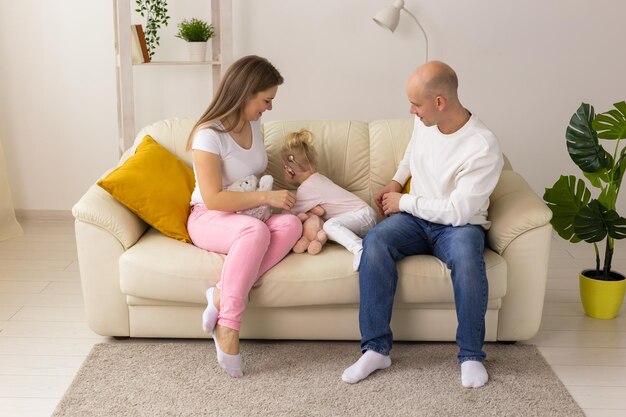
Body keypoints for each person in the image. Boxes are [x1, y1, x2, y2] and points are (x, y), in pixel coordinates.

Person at [341, 60, 504, 388]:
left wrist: (403, 202)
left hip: (458, 226)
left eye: (416, 104)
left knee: (468, 260)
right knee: (376, 242)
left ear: (440, 102)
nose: (411, 111)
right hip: (416, 221)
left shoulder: (482, 146)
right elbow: (412, 152)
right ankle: (376, 349)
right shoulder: (426, 124)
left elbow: (458, 212)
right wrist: (396, 182)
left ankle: (471, 354)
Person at [186, 55, 303, 378]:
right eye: (266, 100)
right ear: (246, 92)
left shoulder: (254, 124)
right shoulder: (208, 135)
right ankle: (229, 326)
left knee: (290, 224)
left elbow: (252, 174)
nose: (269, 108)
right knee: (255, 232)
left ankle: (221, 293)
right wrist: (266, 197)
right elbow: (214, 197)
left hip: (245, 216)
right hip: (209, 217)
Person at [281, 129, 377, 270]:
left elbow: (287, 217)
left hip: (362, 216)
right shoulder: (318, 179)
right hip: (363, 217)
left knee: (329, 226)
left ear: (289, 170)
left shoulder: (307, 189)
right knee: (330, 227)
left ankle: (359, 249)